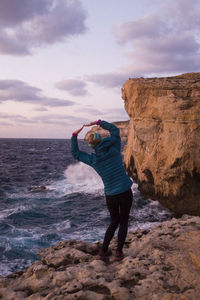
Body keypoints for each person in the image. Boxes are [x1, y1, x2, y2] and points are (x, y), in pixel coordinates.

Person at [71, 120, 133, 261]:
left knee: (114, 221)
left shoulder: (93, 159)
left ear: (91, 145)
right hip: (125, 191)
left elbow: (75, 153)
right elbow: (115, 131)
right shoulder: (115, 148)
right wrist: (100, 122)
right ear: (100, 139)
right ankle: (118, 252)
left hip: (110, 195)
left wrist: (74, 135)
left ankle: (104, 250)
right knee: (123, 221)